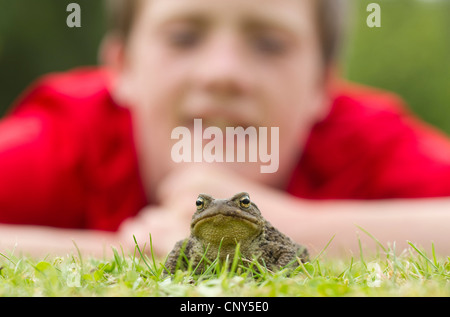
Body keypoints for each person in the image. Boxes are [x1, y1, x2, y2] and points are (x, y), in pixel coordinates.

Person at [0, 0, 449, 259]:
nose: (222, 73)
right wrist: (134, 251)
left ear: (322, 86)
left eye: (269, 44)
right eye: (184, 37)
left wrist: (285, 228)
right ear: (122, 67)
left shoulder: (361, 141)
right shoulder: (67, 138)